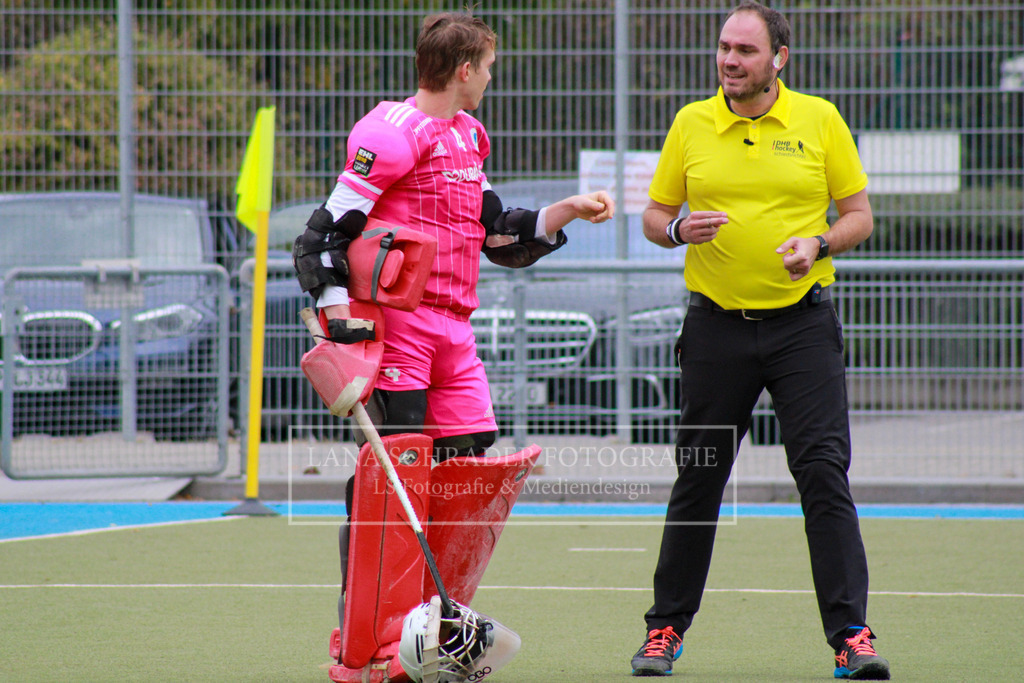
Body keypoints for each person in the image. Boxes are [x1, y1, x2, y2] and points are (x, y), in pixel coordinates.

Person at [291, 11, 615, 678]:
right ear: (464, 69)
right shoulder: (391, 135)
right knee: (393, 474)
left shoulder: (469, 135)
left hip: (454, 331)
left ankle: (431, 627)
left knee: (468, 466)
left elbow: (498, 231)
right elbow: (321, 236)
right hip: (400, 329)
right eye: (488, 66)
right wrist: (338, 322)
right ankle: (365, 637)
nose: (492, 77)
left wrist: (566, 210)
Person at [629, 2, 889, 680]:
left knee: (823, 474)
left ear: (779, 58)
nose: (729, 60)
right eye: (724, 47)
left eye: (745, 50)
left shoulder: (820, 119)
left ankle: (852, 637)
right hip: (714, 328)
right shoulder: (691, 123)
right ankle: (663, 630)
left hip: (803, 328)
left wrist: (819, 243)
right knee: (699, 477)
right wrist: (676, 231)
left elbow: (859, 215)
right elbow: (654, 215)